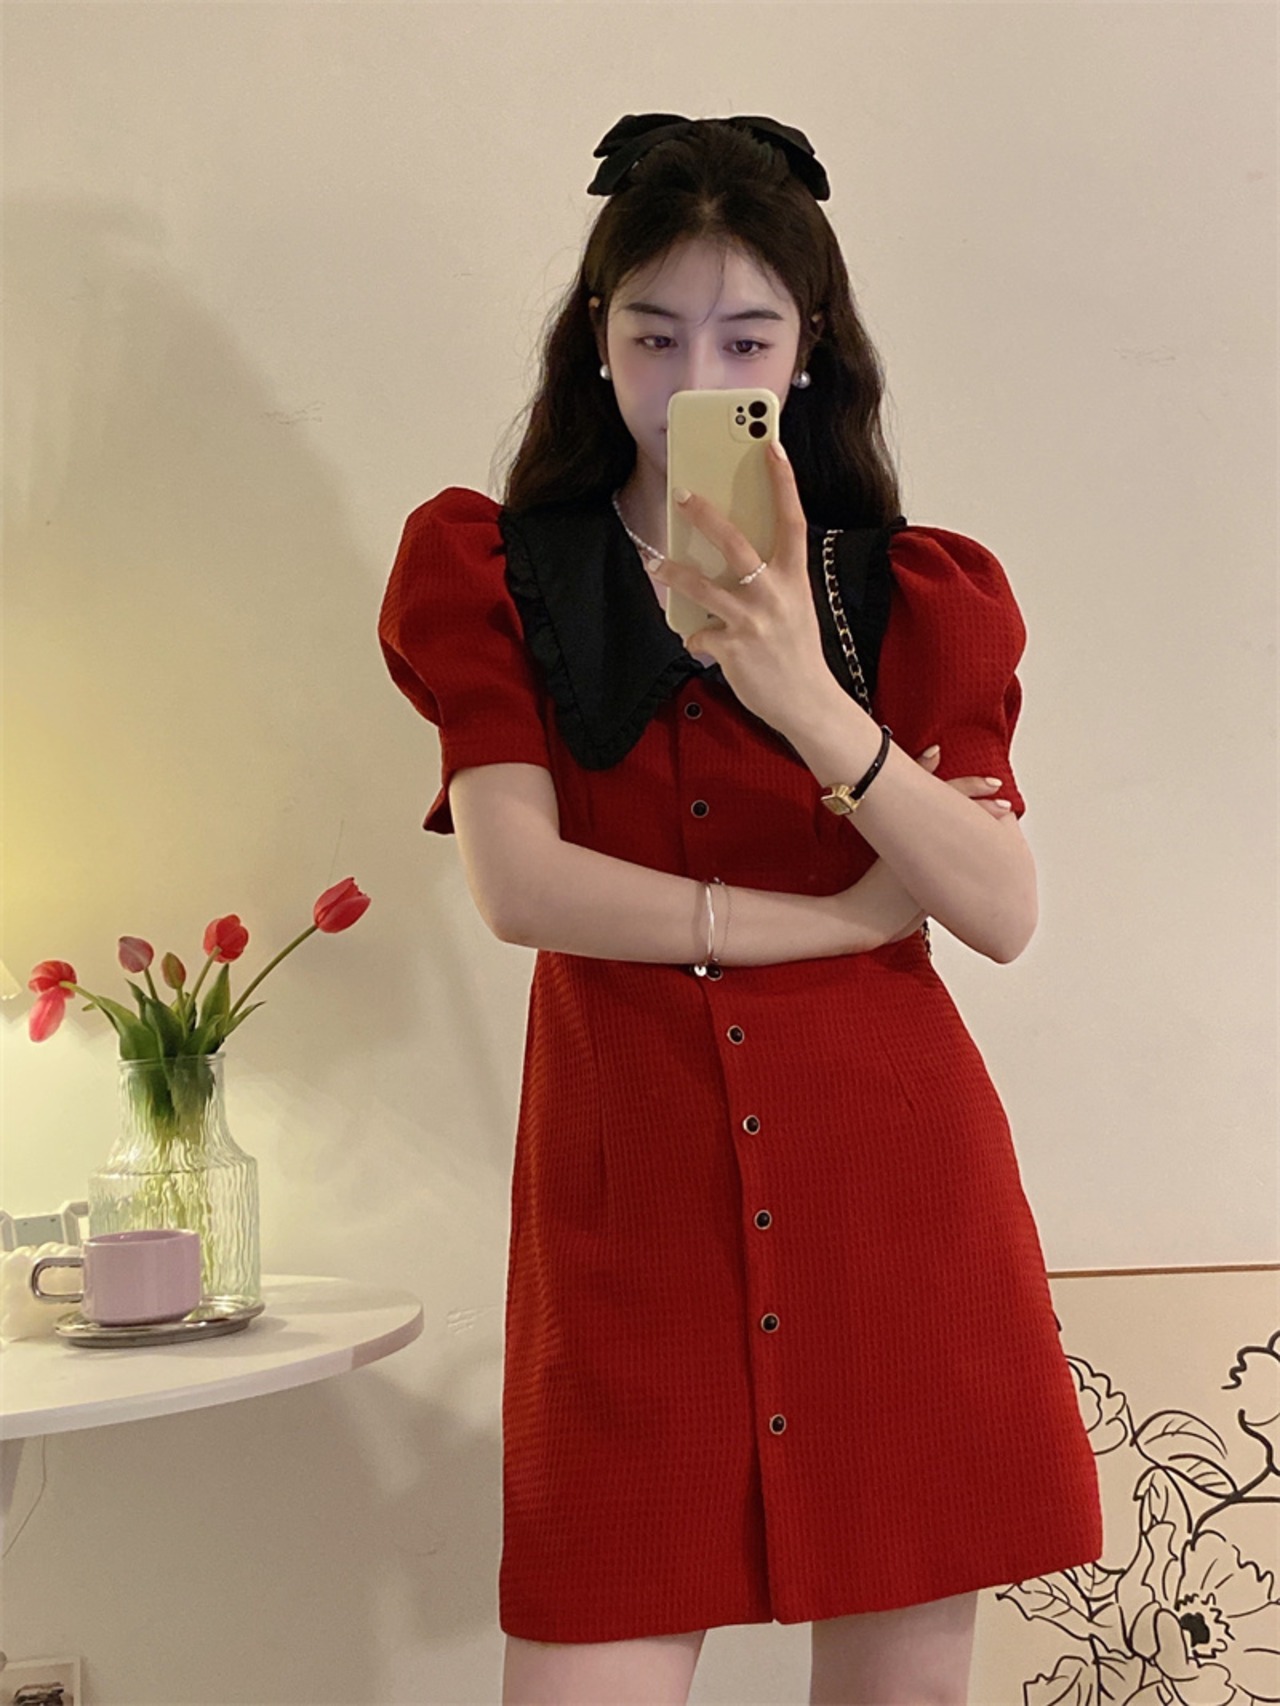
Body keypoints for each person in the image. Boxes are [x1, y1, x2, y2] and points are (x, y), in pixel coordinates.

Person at [378, 113, 1103, 1706]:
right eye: (654, 334)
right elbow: (521, 884)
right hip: (631, 1235)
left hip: (891, 1221)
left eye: (745, 338)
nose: (694, 376)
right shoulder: (492, 572)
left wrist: (807, 698)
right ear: (595, 339)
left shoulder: (913, 593)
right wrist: (834, 919)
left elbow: (998, 904)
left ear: (810, 347)